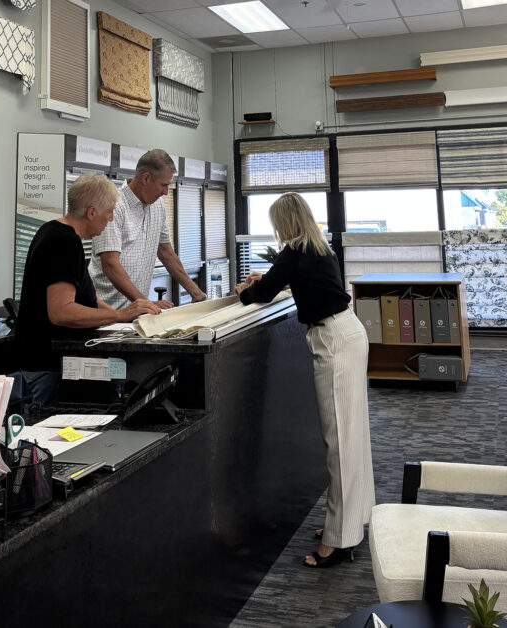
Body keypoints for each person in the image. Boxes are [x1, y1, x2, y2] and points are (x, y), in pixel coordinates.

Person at [235, 192, 375, 569]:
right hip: (348, 333)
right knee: (352, 434)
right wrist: (269, 282)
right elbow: (293, 282)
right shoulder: (317, 247)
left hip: (334, 341)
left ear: (284, 221)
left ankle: (340, 541)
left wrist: (244, 291)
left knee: (339, 441)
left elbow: (261, 295)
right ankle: (349, 522)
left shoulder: (294, 250)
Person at [15, 173, 160, 405]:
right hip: (48, 366)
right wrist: (120, 314)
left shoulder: (53, 231)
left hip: (48, 362)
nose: (111, 219)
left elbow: (86, 299)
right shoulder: (64, 243)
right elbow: (61, 311)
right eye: (109, 212)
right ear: (91, 212)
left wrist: (126, 319)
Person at [89, 149, 205, 310]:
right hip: (105, 310)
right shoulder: (114, 205)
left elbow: (166, 252)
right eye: (163, 185)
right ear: (146, 178)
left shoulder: (157, 206)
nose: (166, 192)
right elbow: (110, 264)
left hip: (136, 309)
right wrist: (145, 303)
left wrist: (196, 292)